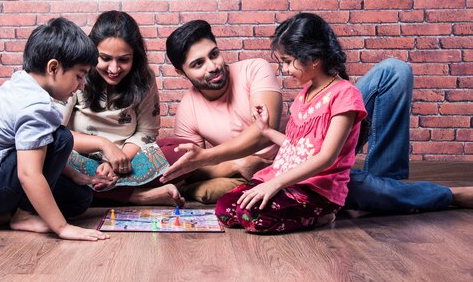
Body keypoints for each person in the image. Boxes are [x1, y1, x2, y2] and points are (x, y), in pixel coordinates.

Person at [162, 17, 473, 213]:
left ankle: (394, 185)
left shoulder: (255, 69)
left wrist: (210, 157)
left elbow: (262, 133)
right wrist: (237, 166)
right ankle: (389, 197)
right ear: (182, 72)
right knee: (356, 188)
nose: (213, 66)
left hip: (315, 147)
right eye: (198, 63)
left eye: (213, 54)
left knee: (395, 72)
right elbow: (196, 172)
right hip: (293, 162)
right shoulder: (188, 109)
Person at [0, 17, 110, 241]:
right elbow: (28, 173)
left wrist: (75, 175)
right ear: (53, 67)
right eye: (79, 75)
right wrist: (62, 228)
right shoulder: (35, 106)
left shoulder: (21, 83)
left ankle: (1, 216)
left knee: (80, 198)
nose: (82, 84)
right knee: (62, 137)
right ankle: (23, 216)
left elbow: (37, 150)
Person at [215, 12, 367, 233]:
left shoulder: (345, 95)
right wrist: (266, 130)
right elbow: (297, 147)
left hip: (316, 190)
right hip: (287, 180)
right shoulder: (304, 94)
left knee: (253, 216)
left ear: (314, 59)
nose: (284, 70)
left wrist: (275, 184)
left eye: (287, 62)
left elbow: (326, 157)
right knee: (225, 208)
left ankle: (323, 215)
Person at [57, 11, 185, 206]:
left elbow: (146, 132)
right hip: (81, 159)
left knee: (182, 150)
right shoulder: (77, 72)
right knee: (52, 160)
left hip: (128, 161)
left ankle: (107, 194)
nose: (114, 69)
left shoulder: (144, 78)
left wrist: (117, 162)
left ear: (135, 57)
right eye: (105, 58)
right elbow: (56, 132)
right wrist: (103, 145)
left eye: (124, 60)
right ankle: (139, 196)